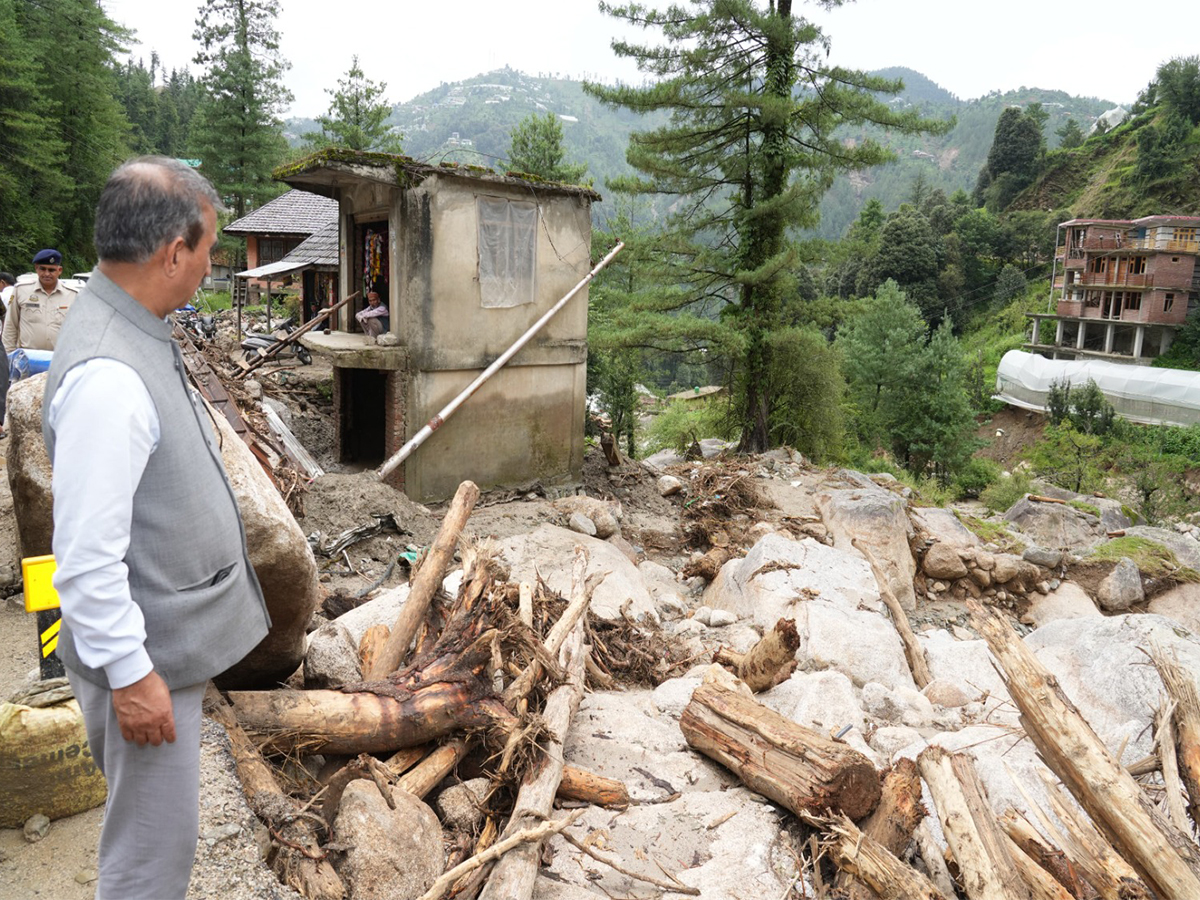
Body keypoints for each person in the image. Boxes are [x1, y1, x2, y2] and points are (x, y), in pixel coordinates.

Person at [42, 156, 271, 900]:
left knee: (153, 843)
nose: (210, 267)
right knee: (148, 859)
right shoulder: (110, 377)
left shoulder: (127, 318)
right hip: (144, 662)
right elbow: (82, 560)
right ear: (173, 252)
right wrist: (133, 675)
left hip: (155, 651)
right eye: (207, 251)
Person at [1, 249, 78, 351]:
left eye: (51, 270)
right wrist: (8, 356)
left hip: (59, 359)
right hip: (27, 360)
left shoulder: (73, 295)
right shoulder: (21, 290)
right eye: (43, 269)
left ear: (59, 271)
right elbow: (10, 326)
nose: (46, 274)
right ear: (36, 268)